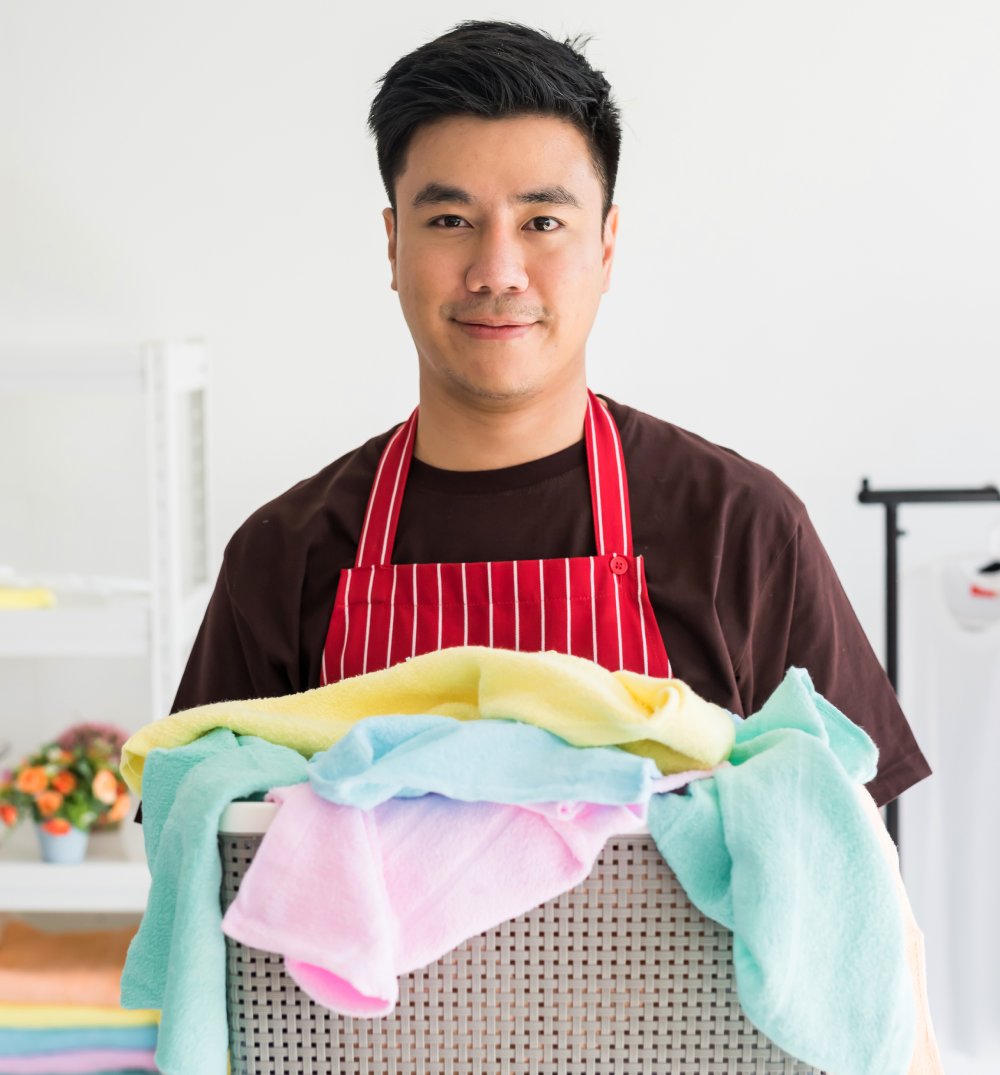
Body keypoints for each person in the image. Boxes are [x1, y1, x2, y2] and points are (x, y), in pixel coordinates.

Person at [175, 19, 928, 808]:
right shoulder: (283, 555)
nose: (497, 271)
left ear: (606, 247)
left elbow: (849, 859)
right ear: (392, 245)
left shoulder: (740, 530)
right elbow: (199, 855)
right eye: (450, 220)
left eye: (542, 222)